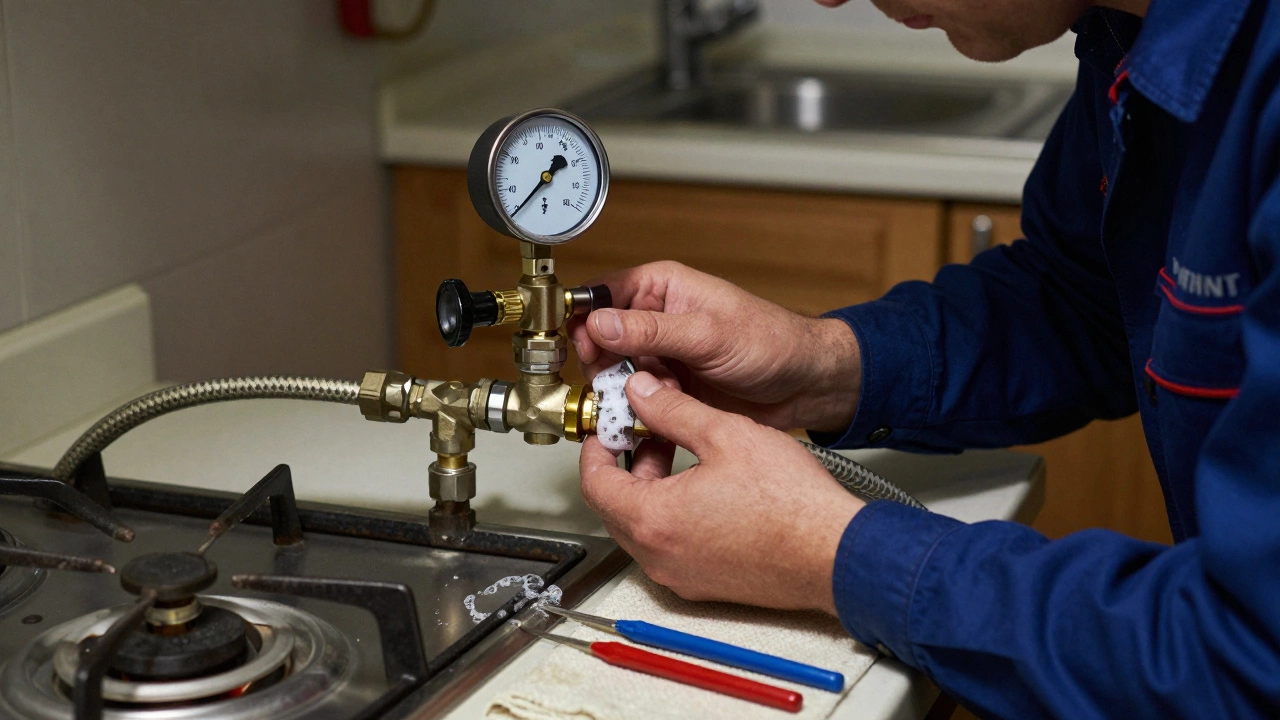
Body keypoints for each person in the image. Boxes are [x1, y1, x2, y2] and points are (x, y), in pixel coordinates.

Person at [568, 0, 1280, 717]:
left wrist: (830, 553)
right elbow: (1084, 298)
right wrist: (819, 364)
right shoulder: (1124, 35)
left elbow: (1252, 654)